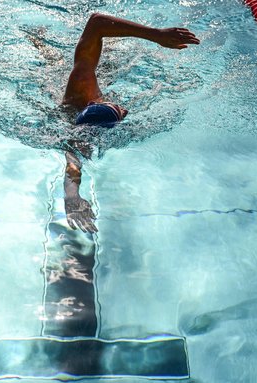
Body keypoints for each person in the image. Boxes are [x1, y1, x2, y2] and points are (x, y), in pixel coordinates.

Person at [61, 13, 200, 233]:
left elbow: (96, 21)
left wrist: (157, 35)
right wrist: (72, 197)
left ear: (95, 100)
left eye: (117, 108)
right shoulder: (81, 131)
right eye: (120, 113)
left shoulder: (82, 84)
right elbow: (72, 164)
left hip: (79, 79)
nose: (124, 110)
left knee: (63, 63)